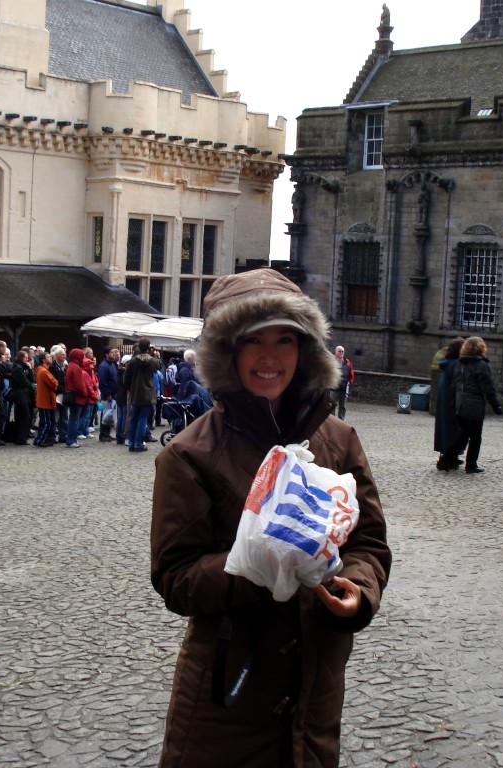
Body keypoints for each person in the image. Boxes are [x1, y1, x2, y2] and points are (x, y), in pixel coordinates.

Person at [150, 268, 391, 766]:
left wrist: (360, 590)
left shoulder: (338, 440)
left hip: (315, 687)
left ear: (305, 350)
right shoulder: (190, 454)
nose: (270, 357)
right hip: (230, 692)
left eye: (285, 339)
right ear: (226, 352)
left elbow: (368, 542)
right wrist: (261, 563)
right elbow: (175, 579)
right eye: (253, 341)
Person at [439, 336, 502, 473]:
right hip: (475, 403)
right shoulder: (482, 365)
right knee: (475, 437)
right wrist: (496, 405)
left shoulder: (459, 363)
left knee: (462, 435)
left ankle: (446, 459)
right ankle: (471, 464)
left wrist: (454, 404)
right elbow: (488, 388)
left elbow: (455, 385)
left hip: (460, 403)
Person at [123, 338, 161, 452]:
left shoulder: (132, 361)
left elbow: (126, 379)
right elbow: (160, 365)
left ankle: (131, 443)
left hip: (135, 393)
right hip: (147, 394)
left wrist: (131, 388)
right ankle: (138, 444)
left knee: (134, 418)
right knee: (142, 419)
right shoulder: (152, 361)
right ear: (149, 348)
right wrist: (155, 354)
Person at [433, 337, 464, 470]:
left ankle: (449, 458)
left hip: (445, 402)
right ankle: (447, 459)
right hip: (452, 402)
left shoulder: (448, 363)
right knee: (453, 431)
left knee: (446, 431)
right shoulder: (456, 364)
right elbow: (457, 386)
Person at [34, 352, 59, 447]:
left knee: (46, 422)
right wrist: (55, 382)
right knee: (46, 423)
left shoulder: (43, 370)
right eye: (48, 357)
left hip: (46, 400)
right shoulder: (43, 371)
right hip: (45, 401)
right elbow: (54, 383)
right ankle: (40, 440)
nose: (51, 358)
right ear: (43, 360)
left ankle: (42, 439)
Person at [96, 347, 121, 442]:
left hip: (113, 393)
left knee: (110, 414)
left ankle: (107, 433)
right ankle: (103, 434)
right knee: (106, 414)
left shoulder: (112, 364)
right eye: (111, 352)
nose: (114, 354)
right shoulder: (103, 366)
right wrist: (107, 393)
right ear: (106, 354)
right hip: (108, 394)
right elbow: (102, 381)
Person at [331, 345, 355, 420]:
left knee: (343, 406)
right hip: (334, 388)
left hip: (344, 389)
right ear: (335, 352)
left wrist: (350, 382)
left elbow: (351, 374)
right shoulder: (331, 362)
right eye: (339, 351)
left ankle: (340, 421)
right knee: (332, 406)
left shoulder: (348, 362)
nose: (341, 353)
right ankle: (332, 421)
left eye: (342, 351)